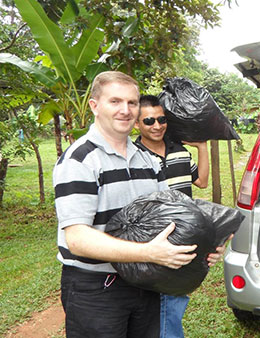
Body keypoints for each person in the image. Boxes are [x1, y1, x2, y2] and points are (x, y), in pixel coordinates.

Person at [53, 71, 215, 338]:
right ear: (95, 106)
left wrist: (204, 245)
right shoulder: (80, 160)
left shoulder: (147, 159)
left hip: (145, 281)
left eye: (132, 103)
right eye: (115, 101)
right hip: (97, 288)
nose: (125, 110)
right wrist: (148, 254)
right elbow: (77, 239)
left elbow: (169, 216)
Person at [133, 94, 214, 338]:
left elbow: (201, 181)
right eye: (149, 121)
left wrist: (201, 147)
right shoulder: (132, 155)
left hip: (183, 233)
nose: (157, 126)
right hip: (150, 237)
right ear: (137, 124)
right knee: (155, 298)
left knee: (174, 296)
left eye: (161, 119)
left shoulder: (179, 151)